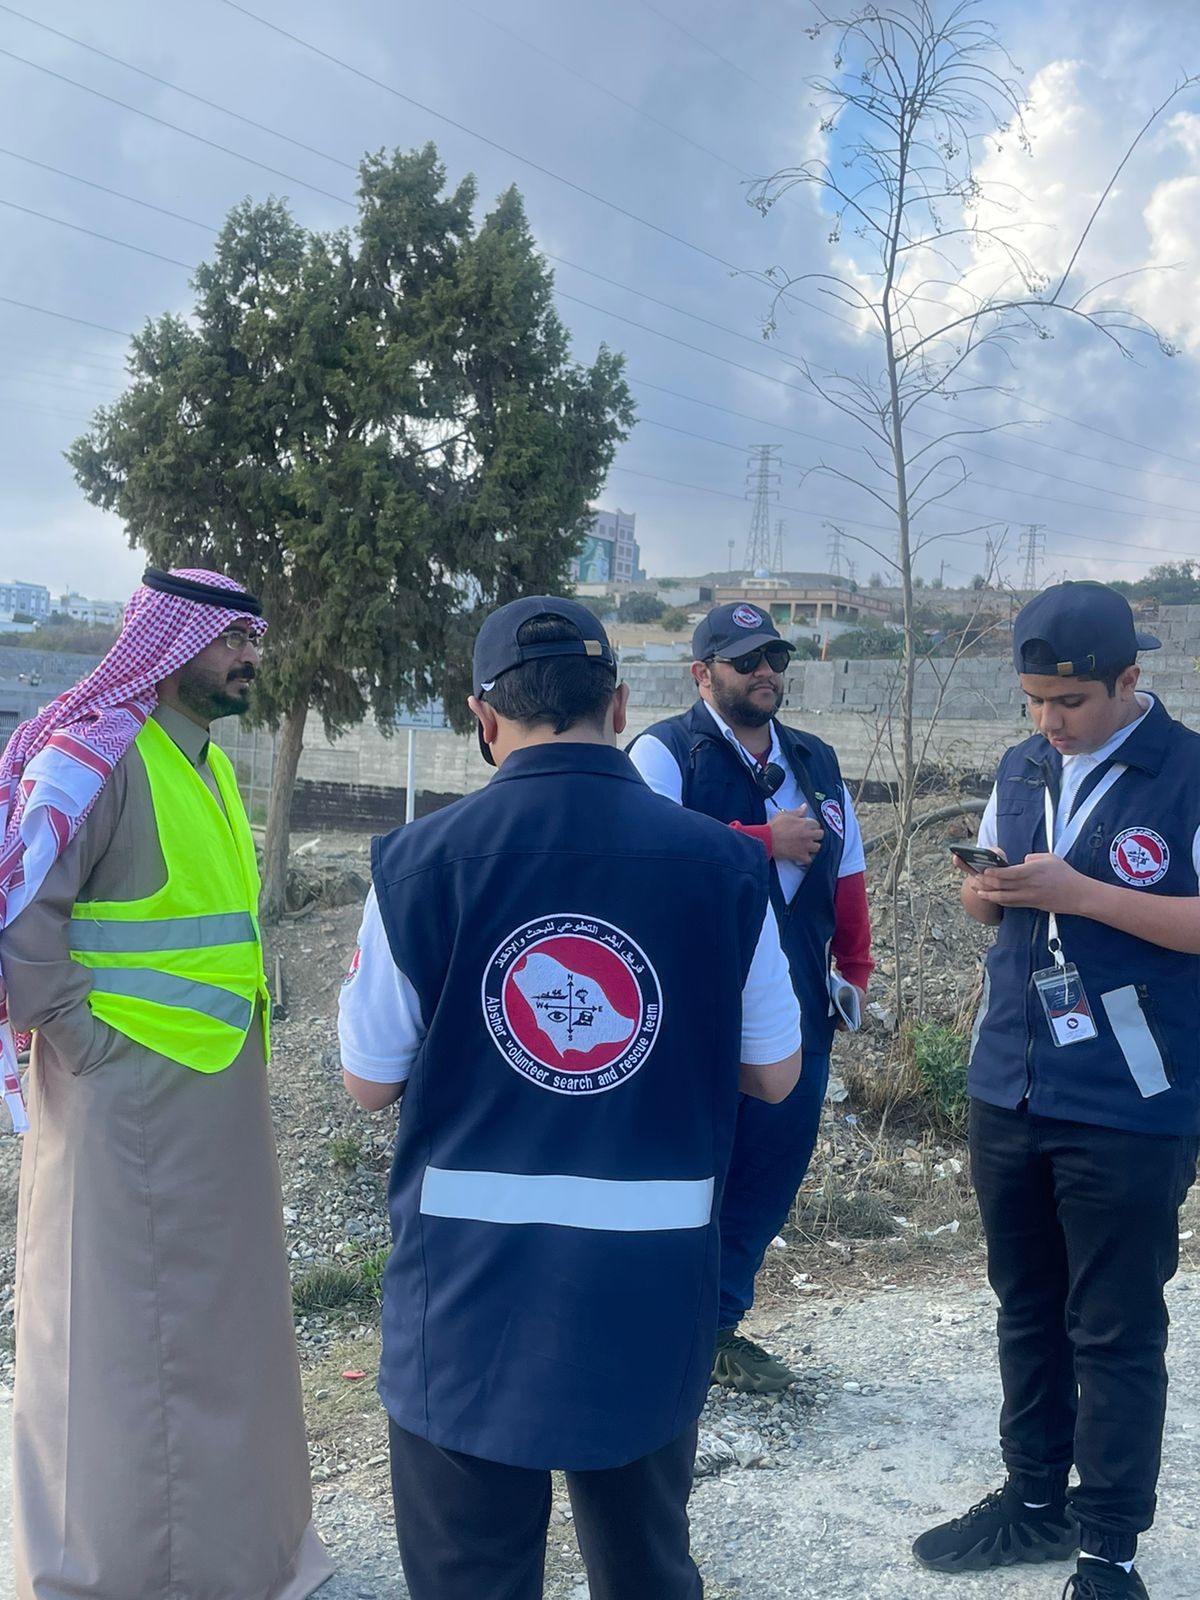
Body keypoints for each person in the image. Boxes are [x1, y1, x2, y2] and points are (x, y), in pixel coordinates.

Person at [338, 596, 804, 1600]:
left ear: (483, 718)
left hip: (466, 1298)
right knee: (645, 1570)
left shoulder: (416, 864)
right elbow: (775, 1073)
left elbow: (370, 1081)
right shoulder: (725, 863)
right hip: (648, 1290)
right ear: (620, 706)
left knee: (469, 1578)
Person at [0, 567, 333, 1600]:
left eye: (255, 638)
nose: (250, 655)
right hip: (125, 1095)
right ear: (170, 641)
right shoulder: (95, 757)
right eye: (232, 637)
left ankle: (238, 1555)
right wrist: (83, 1043)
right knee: (122, 1333)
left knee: (220, 1323)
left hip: (214, 1090)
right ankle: (121, 1572)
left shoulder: (206, 763)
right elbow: (20, 914)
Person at [912, 582, 1200, 1600]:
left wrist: (1082, 895)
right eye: (1034, 701)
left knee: (1114, 1326)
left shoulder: (1187, 771)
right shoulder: (1022, 766)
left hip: (1129, 1098)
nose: (1048, 722)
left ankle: (1108, 1549)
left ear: (1129, 680)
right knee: (1026, 1306)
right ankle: (1034, 1498)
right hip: (1012, 1084)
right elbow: (984, 909)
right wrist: (983, 889)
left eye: (1069, 703)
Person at [628, 601, 873, 1392]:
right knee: (686, 1169)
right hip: (693, 1007)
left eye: (775, 657)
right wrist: (765, 841)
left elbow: (847, 872)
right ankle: (656, 1327)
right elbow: (647, 854)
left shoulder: (814, 759)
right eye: (745, 661)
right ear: (702, 674)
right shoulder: (666, 753)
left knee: (770, 1169)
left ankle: (718, 1328)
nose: (765, 671)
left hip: (799, 1005)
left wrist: (855, 968)